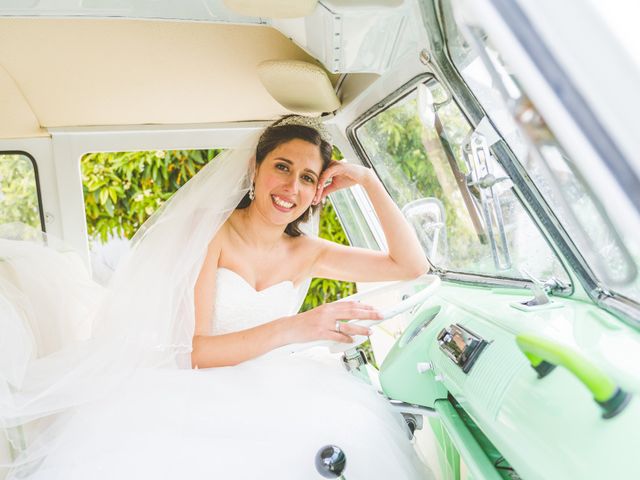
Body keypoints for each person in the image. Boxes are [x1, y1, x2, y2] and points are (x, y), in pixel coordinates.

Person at [0, 115, 433, 479]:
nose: (292, 188)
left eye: (307, 177)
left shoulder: (309, 252)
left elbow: (409, 266)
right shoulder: (212, 232)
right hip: (196, 390)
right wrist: (300, 326)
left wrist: (368, 181)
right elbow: (196, 353)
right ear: (255, 169)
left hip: (276, 389)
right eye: (282, 167)